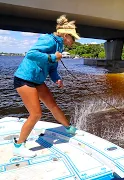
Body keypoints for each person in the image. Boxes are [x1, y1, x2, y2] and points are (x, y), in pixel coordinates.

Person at [13, 15, 81, 158]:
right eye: (72, 38)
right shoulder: (49, 40)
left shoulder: (59, 45)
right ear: (65, 35)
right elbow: (31, 54)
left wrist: (57, 79)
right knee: (36, 113)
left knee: (53, 105)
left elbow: (52, 69)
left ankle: (68, 128)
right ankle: (18, 146)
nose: (73, 42)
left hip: (37, 80)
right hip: (24, 78)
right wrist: (51, 57)